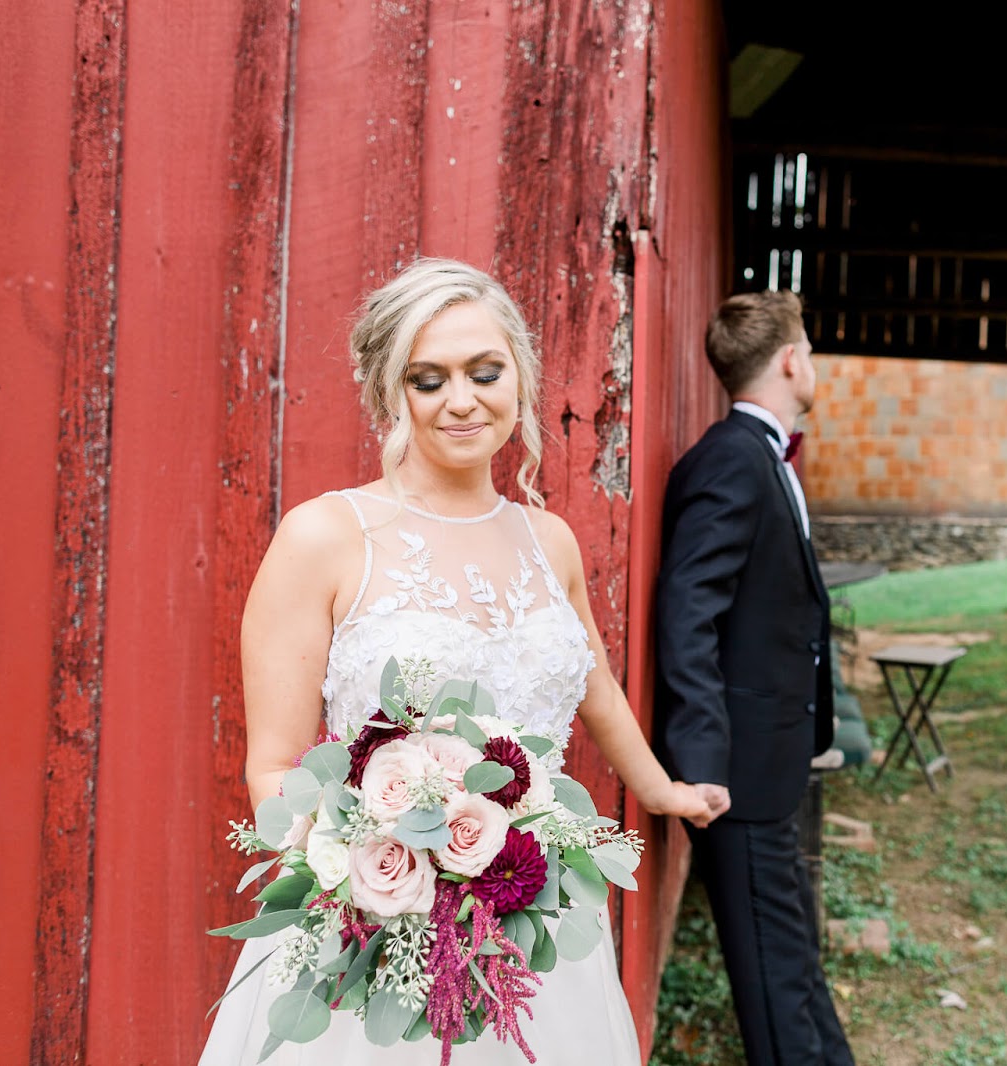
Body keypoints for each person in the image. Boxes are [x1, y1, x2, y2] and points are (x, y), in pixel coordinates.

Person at [200, 257, 712, 1065]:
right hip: (377, 928)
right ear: (386, 393)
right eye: (428, 379)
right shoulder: (325, 538)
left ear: (520, 376)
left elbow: (593, 687)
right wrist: (372, 882)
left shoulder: (550, 542)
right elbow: (273, 765)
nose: (463, 400)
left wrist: (660, 789)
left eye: (484, 371)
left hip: (537, 922)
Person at [655, 289, 855, 1066]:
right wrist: (704, 771)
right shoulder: (730, 462)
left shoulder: (760, 456)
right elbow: (686, 614)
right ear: (791, 360)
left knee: (793, 958)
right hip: (734, 779)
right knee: (773, 984)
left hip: (771, 763)